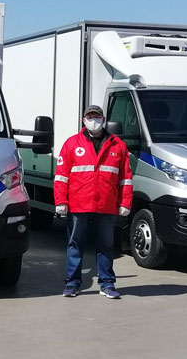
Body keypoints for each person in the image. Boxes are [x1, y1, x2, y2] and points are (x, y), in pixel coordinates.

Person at [54, 105, 133, 299]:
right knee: (75, 244)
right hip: (78, 204)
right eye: (90, 117)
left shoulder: (118, 146)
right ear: (84, 120)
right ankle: (72, 284)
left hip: (106, 205)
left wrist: (125, 203)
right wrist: (60, 201)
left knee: (106, 245)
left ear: (103, 119)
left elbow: (126, 179)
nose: (94, 120)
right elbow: (61, 176)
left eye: (97, 117)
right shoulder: (72, 144)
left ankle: (107, 284)